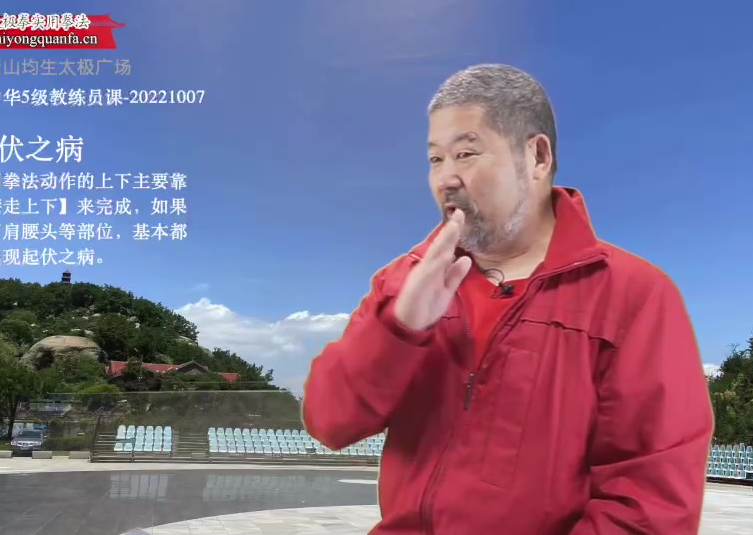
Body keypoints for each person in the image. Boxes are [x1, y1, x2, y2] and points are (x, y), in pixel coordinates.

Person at [303, 64, 714, 534]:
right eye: (436, 159)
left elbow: (649, 507)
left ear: (537, 156)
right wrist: (398, 330)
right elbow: (329, 421)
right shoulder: (404, 281)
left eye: (466, 154)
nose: (446, 179)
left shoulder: (634, 296)